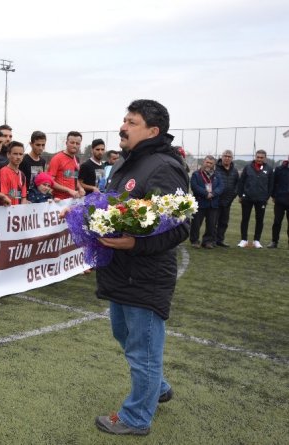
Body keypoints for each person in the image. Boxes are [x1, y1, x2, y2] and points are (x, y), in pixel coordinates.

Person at [93, 99, 189, 436]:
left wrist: (137, 243)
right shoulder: (127, 163)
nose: (123, 126)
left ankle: (136, 417)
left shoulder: (164, 166)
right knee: (124, 334)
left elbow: (179, 226)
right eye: (124, 120)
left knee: (143, 349)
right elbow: (110, 207)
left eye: (131, 122)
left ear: (152, 130)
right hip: (120, 269)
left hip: (145, 274)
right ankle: (158, 387)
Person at [237, 149, 273, 248]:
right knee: (245, 219)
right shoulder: (248, 167)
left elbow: (271, 185)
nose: (259, 159)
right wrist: (241, 195)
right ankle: (244, 240)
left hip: (261, 199)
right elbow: (241, 182)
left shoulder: (269, 169)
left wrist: (267, 197)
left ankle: (257, 241)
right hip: (247, 198)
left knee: (260, 220)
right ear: (255, 157)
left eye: (261, 157)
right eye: (258, 157)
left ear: (265, 158)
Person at [189, 155, 224, 249]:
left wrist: (213, 193)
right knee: (196, 223)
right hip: (200, 203)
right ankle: (195, 241)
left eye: (211, 163)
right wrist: (206, 194)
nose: (208, 164)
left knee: (211, 224)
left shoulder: (218, 175)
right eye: (207, 162)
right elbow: (194, 186)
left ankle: (208, 241)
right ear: (204, 162)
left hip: (213, 204)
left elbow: (221, 187)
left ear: (214, 164)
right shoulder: (196, 174)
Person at [48, 131, 85, 200]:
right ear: (66, 143)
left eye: (77, 143)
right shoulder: (57, 158)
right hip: (58, 201)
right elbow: (50, 181)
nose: (74, 145)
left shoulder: (76, 159)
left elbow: (74, 178)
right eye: (72, 142)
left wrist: (80, 188)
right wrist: (68, 190)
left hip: (72, 199)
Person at [214, 150, 239, 247]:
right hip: (216, 200)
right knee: (213, 222)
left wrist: (234, 194)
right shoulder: (216, 168)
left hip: (228, 201)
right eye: (225, 156)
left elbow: (237, 184)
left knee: (224, 222)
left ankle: (220, 240)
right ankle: (211, 240)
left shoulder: (235, 170)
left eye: (229, 156)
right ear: (222, 157)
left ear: (232, 158)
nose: (227, 158)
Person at [268, 156, 289, 248]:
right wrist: (273, 195)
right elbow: (273, 182)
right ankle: (274, 241)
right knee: (277, 222)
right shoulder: (279, 169)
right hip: (280, 200)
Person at [19, 131, 47, 197]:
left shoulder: (43, 161)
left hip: (38, 197)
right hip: (25, 198)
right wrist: (23, 197)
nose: (40, 148)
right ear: (31, 144)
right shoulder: (23, 160)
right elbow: (19, 182)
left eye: (43, 145)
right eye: (38, 145)